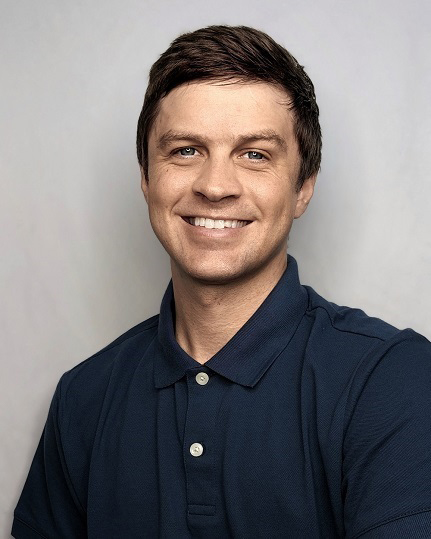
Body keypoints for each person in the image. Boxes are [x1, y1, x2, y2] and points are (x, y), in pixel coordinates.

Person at [12, 25, 431, 539]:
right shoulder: (83, 398)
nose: (214, 186)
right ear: (146, 177)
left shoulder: (393, 381)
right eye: (186, 150)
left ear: (303, 188)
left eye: (255, 154)